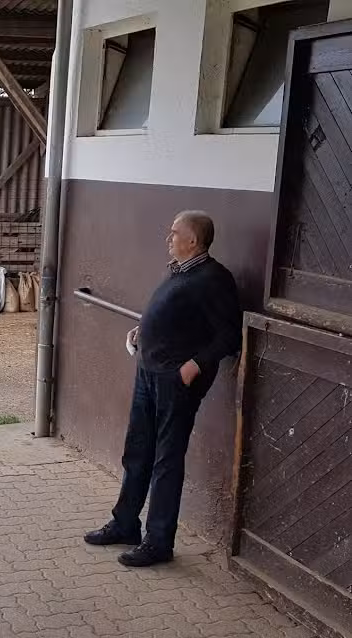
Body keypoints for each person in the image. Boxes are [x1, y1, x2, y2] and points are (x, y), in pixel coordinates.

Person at [84, 210, 242, 567]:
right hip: (148, 371)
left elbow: (229, 336)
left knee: (166, 460)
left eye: (174, 233)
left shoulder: (215, 279)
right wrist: (143, 331)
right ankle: (125, 524)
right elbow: (173, 315)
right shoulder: (178, 270)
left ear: (193, 240)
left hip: (176, 381)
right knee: (137, 451)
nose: (168, 239)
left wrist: (193, 367)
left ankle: (158, 542)